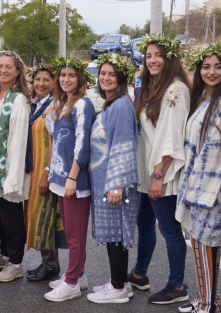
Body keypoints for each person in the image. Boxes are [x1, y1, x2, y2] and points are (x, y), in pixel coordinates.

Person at [174, 43, 221, 313]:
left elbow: (218, 150)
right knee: (205, 247)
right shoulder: (204, 98)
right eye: (206, 66)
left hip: (212, 188)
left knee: (203, 246)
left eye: (217, 66)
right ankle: (208, 301)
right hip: (200, 185)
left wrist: (198, 192)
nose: (211, 71)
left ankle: (207, 305)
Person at [131, 34, 191, 305]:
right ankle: (139, 274)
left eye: (159, 56)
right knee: (144, 223)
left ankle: (177, 286)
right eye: (149, 56)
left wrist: (158, 175)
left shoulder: (175, 89)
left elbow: (170, 138)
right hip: (147, 173)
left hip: (161, 174)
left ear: (170, 60)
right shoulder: (154, 87)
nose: (153, 60)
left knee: (170, 231)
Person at [85, 54, 140, 304]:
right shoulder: (112, 103)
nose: (105, 78)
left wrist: (116, 184)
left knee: (116, 234)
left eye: (111, 74)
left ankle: (117, 289)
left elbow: (122, 145)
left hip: (113, 183)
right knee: (114, 233)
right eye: (102, 73)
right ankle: (122, 283)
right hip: (105, 181)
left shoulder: (120, 106)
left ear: (121, 78)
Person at [43, 56, 96, 302]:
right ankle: (78, 275)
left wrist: (72, 178)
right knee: (71, 232)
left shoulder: (82, 105)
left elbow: (82, 145)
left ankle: (72, 282)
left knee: (75, 235)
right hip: (60, 178)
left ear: (80, 80)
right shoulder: (62, 104)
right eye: (62, 75)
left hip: (73, 180)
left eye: (71, 75)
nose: (65, 79)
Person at [0, 51, 31, 283]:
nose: (3, 70)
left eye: (9, 67)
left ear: (18, 71)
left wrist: (13, 176)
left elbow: (18, 139)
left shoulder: (18, 99)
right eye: (0, 66)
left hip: (9, 167)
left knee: (11, 219)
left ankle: (16, 263)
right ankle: (4, 254)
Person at [24, 63, 63, 283]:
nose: (41, 84)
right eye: (37, 80)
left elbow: (57, 142)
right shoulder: (34, 104)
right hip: (33, 166)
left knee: (45, 216)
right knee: (35, 215)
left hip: (45, 168)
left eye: (46, 80)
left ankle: (51, 265)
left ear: (53, 83)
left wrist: (47, 172)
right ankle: (49, 261)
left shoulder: (55, 107)